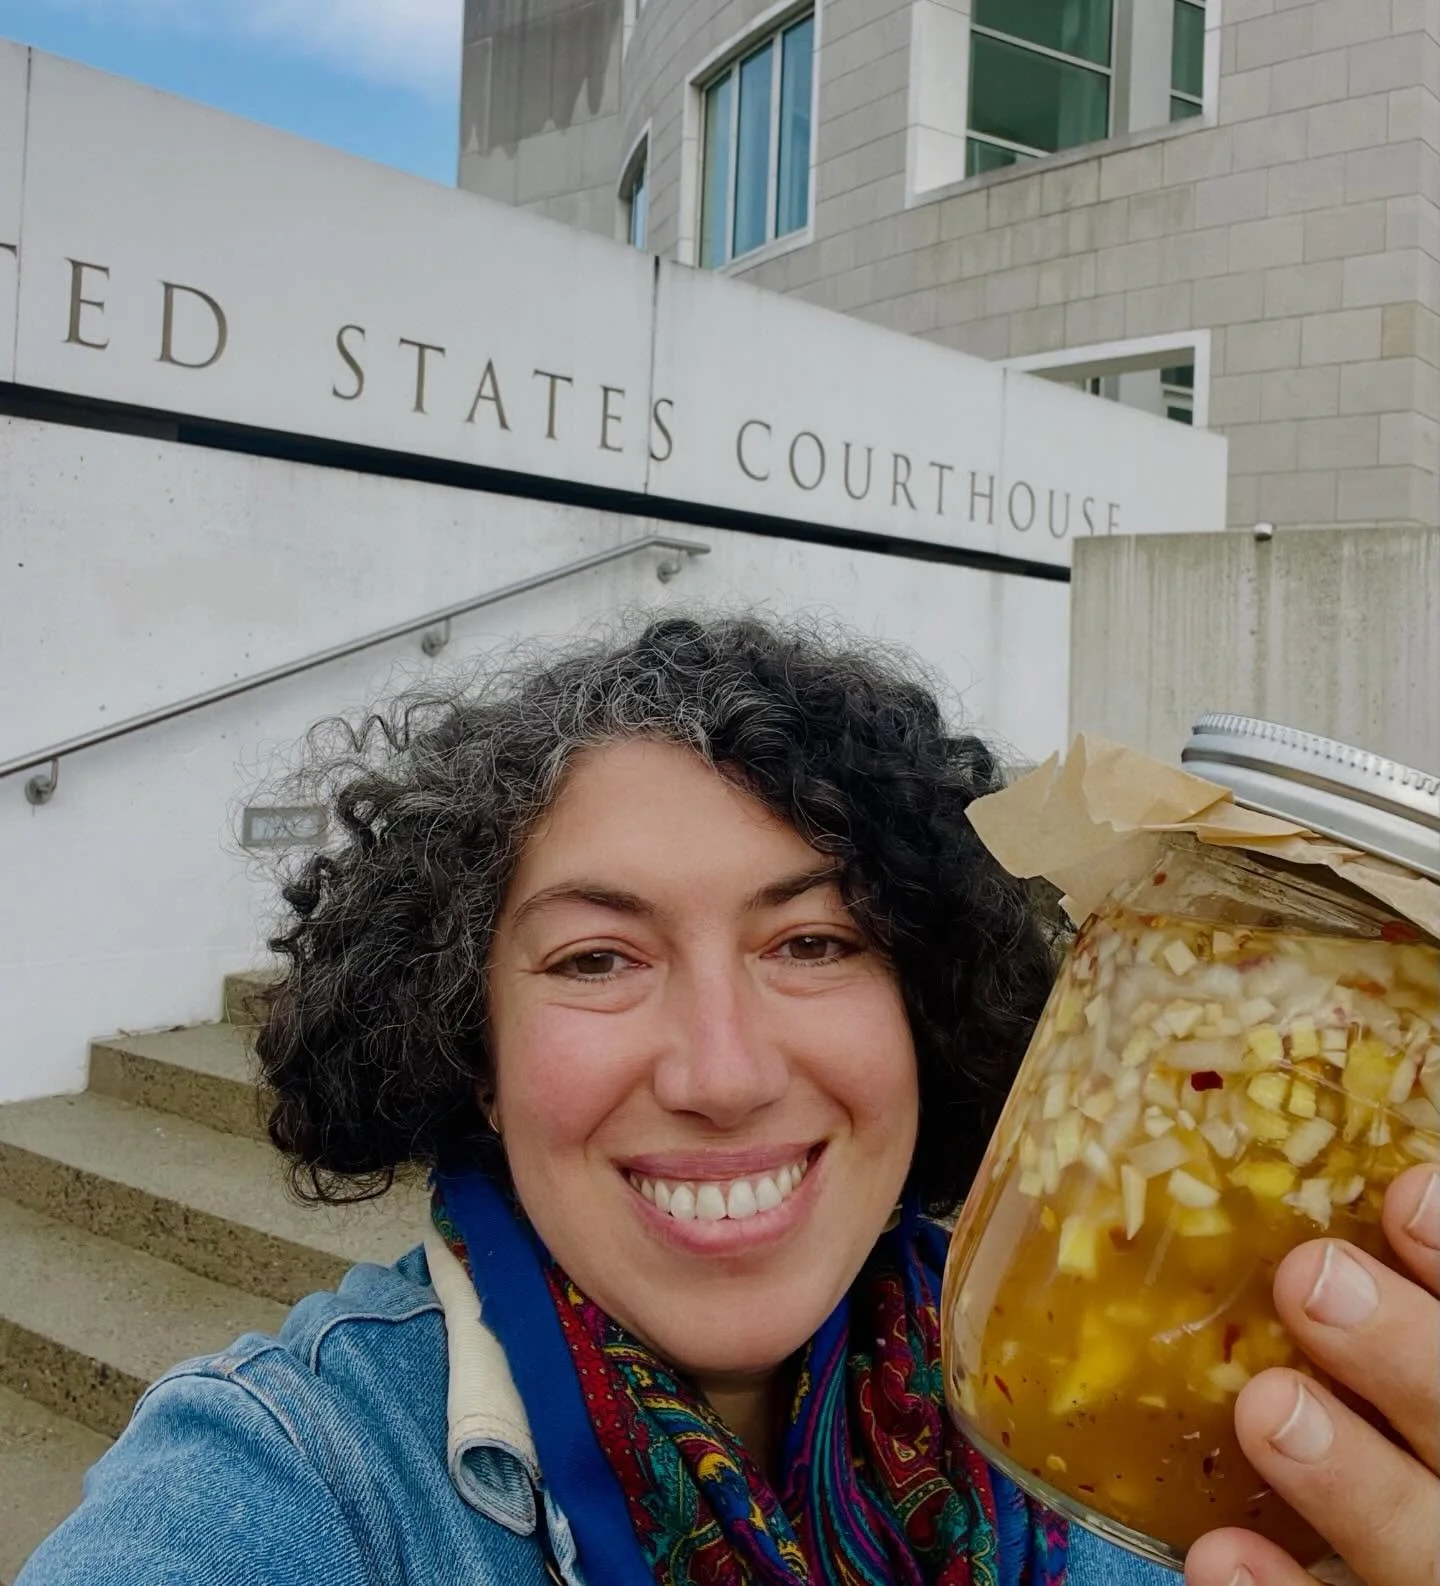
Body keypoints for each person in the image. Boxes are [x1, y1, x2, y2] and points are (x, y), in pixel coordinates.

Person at [19, 616, 1439, 1586]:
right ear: (472, 1050)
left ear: (924, 1003)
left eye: (813, 942)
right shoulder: (295, 1482)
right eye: (597, 958)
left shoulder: (1158, 1434)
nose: (724, 1072)